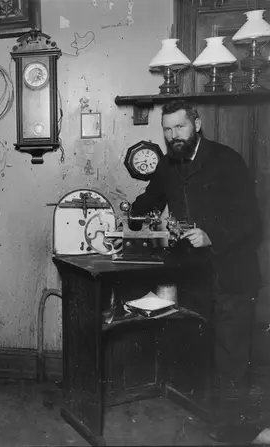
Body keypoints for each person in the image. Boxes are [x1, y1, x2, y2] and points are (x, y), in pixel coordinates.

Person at [130, 99, 262, 443]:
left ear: (197, 125)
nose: (174, 135)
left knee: (232, 354)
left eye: (180, 126)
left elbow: (251, 220)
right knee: (205, 348)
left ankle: (238, 429)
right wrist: (130, 215)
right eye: (168, 129)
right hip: (197, 276)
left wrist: (211, 235)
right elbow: (150, 199)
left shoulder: (227, 160)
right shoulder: (167, 164)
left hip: (233, 274)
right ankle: (216, 418)